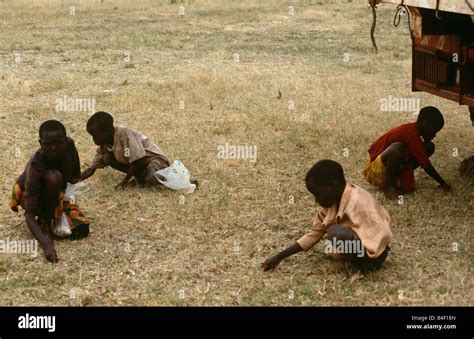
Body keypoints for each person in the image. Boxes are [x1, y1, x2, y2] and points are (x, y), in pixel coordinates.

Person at [262, 160, 393, 273]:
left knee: (336, 232)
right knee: (337, 233)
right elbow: (313, 234)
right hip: (360, 248)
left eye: (317, 194)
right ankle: (355, 258)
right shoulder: (329, 205)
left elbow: (381, 231)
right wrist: (279, 256)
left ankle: (366, 267)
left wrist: (370, 254)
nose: (316, 200)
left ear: (332, 186)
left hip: (375, 256)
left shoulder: (358, 200)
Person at [9, 120, 90, 263]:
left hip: (56, 195)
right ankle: (45, 221)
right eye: (48, 144)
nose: (53, 148)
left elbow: (74, 177)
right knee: (54, 177)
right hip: (30, 196)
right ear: (40, 143)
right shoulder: (36, 167)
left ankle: (52, 215)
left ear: (65, 141)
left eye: (58, 143)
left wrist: (69, 200)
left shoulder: (69, 145)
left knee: (82, 230)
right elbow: (29, 215)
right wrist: (46, 245)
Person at [363, 106, 451, 199]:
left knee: (429, 147)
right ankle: (389, 187)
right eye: (434, 131)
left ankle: (397, 179)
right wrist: (443, 183)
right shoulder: (411, 133)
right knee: (397, 148)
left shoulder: (415, 133)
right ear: (426, 124)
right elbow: (426, 165)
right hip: (374, 172)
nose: (434, 135)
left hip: (389, 168)